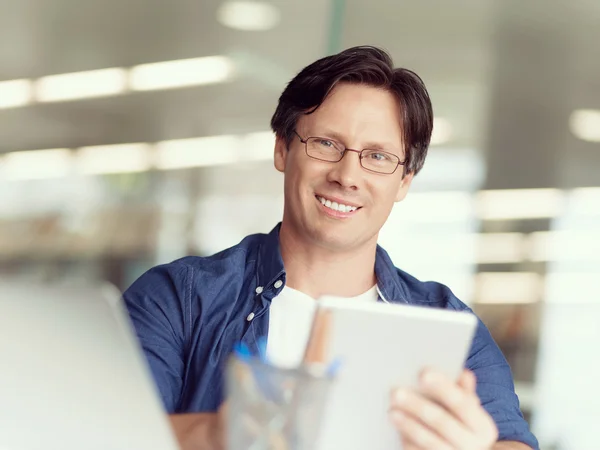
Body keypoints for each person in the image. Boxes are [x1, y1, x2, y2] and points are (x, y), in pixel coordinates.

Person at [123, 46, 539, 450]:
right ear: (282, 148)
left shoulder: (447, 325)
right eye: (326, 144)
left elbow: (511, 442)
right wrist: (216, 434)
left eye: (377, 156)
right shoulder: (178, 298)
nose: (347, 175)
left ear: (405, 181)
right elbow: (103, 430)